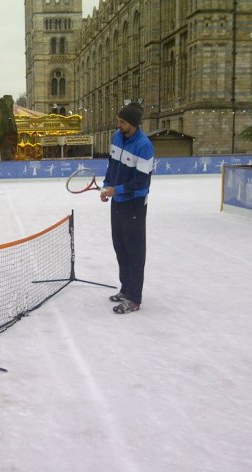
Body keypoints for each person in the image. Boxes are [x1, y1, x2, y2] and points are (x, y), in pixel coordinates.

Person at [100, 102, 154, 314]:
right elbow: (112, 165)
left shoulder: (144, 146)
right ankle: (125, 288)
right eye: (118, 120)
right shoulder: (117, 136)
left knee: (134, 251)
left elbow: (142, 182)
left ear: (132, 123)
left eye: (122, 121)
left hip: (134, 205)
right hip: (118, 201)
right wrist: (107, 187)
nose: (118, 124)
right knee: (120, 247)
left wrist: (117, 190)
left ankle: (134, 298)